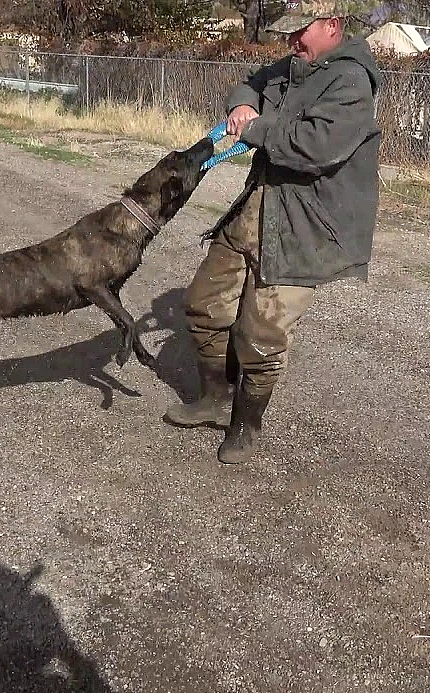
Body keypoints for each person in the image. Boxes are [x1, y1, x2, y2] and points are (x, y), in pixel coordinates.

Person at [164, 1, 382, 464]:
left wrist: (257, 125)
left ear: (332, 25)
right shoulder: (293, 66)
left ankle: (246, 424)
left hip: (304, 226)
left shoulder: (351, 83)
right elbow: (251, 83)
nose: (290, 41)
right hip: (256, 210)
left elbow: (313, 148)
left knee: (259, 335)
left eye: (299, 31)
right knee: (204, 304)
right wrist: (243, 102)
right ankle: (214, 399)